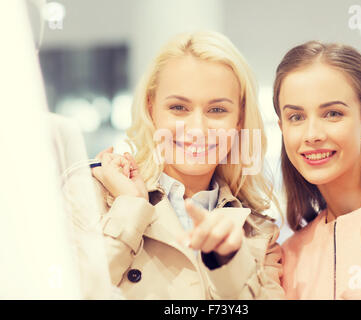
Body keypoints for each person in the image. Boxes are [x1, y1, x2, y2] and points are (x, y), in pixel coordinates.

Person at [65, 31, 285, 299]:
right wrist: (131, 206)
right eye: (179, 108)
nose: (197, 129)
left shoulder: (260, 234)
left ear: (239, 119)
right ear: (151, 108)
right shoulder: (91, 194)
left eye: (217, 110)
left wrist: (228, 263)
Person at [272, 41, 361, 299]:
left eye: (332, 114)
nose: (312, 134)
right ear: (282, 128)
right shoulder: (290, 256)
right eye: (296, 117)